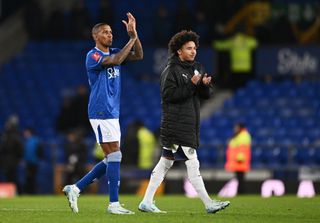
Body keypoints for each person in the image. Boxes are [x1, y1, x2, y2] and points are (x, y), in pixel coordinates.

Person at [138, 30, 230, 214]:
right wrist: (192, 85)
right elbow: (168, 96)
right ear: (179, 51)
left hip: (186, 124)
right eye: (189, 48)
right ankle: (208, 203)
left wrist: (204, 86)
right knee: (192, 162)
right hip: (176, 126)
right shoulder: (171, 70)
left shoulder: (196, 67)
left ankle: (146, 201)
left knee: (165, 162)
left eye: (194, 48)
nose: (193, 51)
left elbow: (204, 96)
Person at [63, 12, 143, 214]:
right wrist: (131, 39)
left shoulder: (115, 51)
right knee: (115, 154)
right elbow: (115, 61)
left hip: (111, 111)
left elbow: (138, 55)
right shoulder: (94, 55)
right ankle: (113, 204)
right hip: (100, 109)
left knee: (112, 157)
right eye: (105, 33)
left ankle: (76, 188)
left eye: (111, 32)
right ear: (95, 36)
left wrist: (135, 34)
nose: (110, 35)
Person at [225, 122, 251, 194]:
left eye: (236, 127)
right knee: (239, 178)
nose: (235, 129)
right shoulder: (239, 135)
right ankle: (240, 192)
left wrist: (240, 157)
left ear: (240, 128)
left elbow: (243, 148)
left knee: (240, 178)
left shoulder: (243, 135)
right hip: (237, 161)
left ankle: (241, 192)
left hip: (240, 161)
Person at [23, 127, 43, 194]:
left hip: (34, 163)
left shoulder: (35, 140)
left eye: (26, 132)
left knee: (32, 178)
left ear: (29, 132)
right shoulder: (27, 141)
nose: (24, 133)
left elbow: (40, 151)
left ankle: (32, 192)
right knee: (29, 178)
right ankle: (30, 192)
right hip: (28, 162)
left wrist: (38, 159)